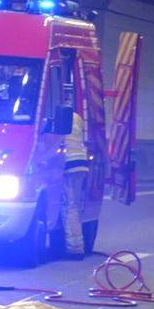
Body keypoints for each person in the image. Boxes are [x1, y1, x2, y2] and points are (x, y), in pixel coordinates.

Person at [61, 111, 89, 260]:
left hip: (69, 163)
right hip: (81, 162)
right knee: (75, 205)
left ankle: (74, 248)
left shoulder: (60, 117)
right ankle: (79, 244)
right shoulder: (77, 117)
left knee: (69, 206)